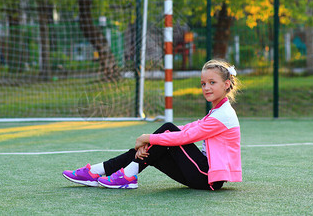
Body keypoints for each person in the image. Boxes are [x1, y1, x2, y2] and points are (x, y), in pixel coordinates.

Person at [63, 59, 242, 190]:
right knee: (161, 142)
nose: (206, 88)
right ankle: (100, 171)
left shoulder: (224, 115)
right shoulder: (217, 112)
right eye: (203, 84)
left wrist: (147, 138)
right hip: (201, 175)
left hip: (207, 177)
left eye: (212, 83)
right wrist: (151, 142)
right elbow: (189, 128)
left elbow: (186, 136)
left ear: (226, 84)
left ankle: (121, 174)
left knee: (168, 130)